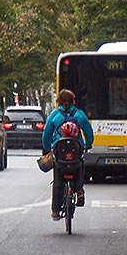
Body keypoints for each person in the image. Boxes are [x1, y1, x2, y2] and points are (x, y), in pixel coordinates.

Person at [42, 89, 94, 220]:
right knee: (79, 165)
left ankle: (55, 210)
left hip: (60, 153)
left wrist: (47, 147)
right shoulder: (80, 115)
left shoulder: (54, 115)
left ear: (59, 101)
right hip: (76, 151)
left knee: (58, 179)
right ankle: (79, 190)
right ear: (73, 101)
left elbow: (46, 134)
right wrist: (88, 144)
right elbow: (88, 132)